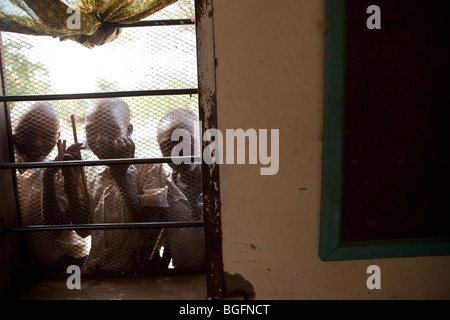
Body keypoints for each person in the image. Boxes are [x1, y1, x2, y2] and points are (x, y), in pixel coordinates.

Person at [79, 98, 170, 274]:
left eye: (111, 129)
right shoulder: (88, 171)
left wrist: (121, 176)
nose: (99, 139)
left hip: (137, 272)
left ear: (128, 131)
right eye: (91, 131)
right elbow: (82, 231)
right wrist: (70, 180)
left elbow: (150, 233)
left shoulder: (149, 167)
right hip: (98, 270)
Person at [11, 101, 90, 272]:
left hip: (67, 263)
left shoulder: (60, 172)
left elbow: (55, 231)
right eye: (26, 133)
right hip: (26, 264)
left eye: (47, 136)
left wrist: (48, 177)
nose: (37, 143)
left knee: (71, 294)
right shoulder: (9, 170)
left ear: (58, 136)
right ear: (10, 130)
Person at [156, 108, 205, 270]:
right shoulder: (166, 189)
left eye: (184, 140)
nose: (177, 152)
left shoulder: (218, 182)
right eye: (166, 146)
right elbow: (170, 236)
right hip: (182, 275)